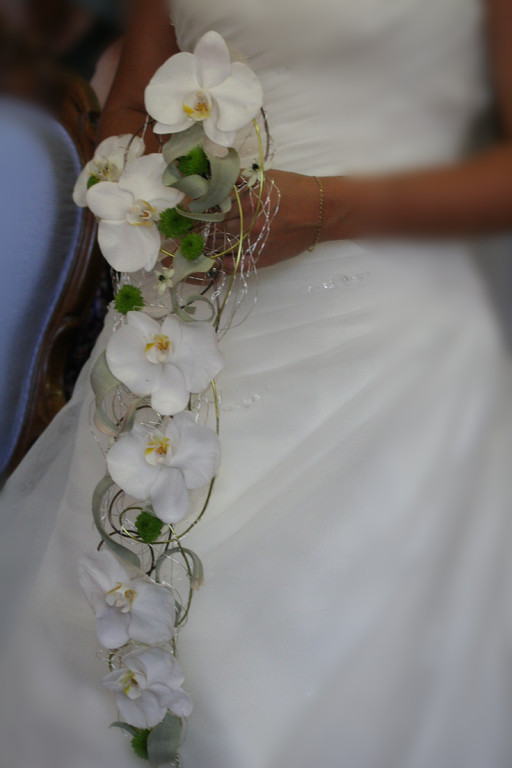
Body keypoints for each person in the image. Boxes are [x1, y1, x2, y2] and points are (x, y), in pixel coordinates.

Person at [1, 0, 512, 766]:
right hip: (186, 314)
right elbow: (134, 105)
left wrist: (327, 209)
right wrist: (163, 197)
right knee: (124, 621)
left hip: (389, 332)